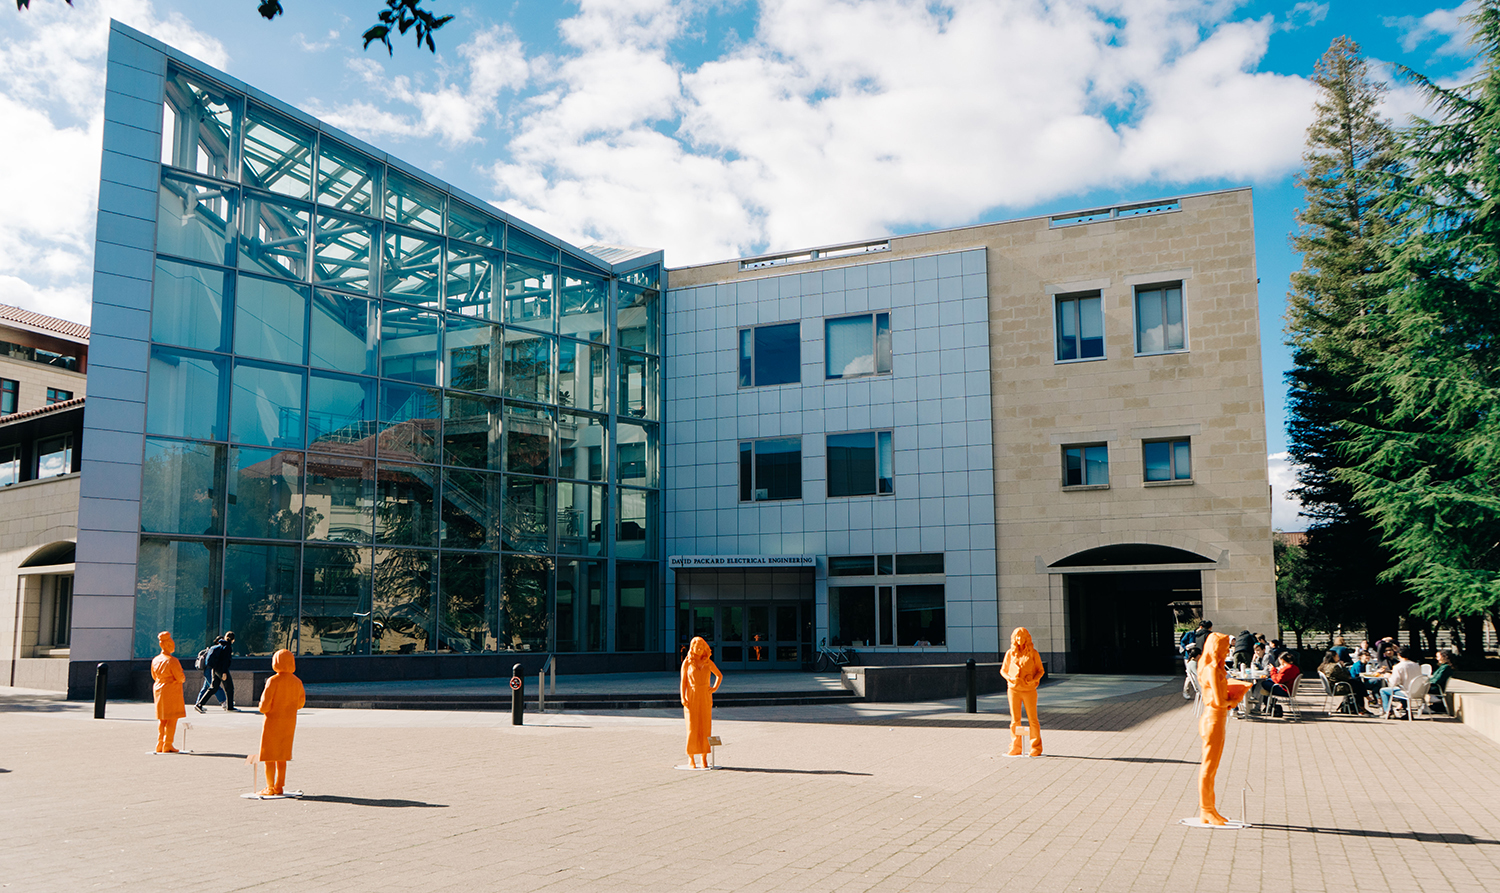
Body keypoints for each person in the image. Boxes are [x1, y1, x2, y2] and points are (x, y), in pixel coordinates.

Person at [1196, 632, 1253, 825]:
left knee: (1211, 766)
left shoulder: (1212, 668)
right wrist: (1237, 697)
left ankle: (1209, 809)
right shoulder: (1212, 669)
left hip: (1215, 718)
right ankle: (1207, 809)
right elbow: (1220, 702)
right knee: (1209, 767)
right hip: (1214, 718)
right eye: (1225, 648)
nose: (1228, 651)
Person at [255, 648, 306, 796]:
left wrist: (262, 708)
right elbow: (300, 703)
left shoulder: (273, 680)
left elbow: (265, 705)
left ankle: (269, 787)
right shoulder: (297, 681)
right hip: (289, 722)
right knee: (282, 756)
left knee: (269, 756)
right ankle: (279, 786)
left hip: (273, 721)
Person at [1001, 627, 1045, 756]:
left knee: (1033, 719)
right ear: (1014, 639)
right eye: (1017, 637)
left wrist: (1034, 680)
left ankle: (1035, 747)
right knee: (1015, 719)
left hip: (1029, 690)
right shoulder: (1010, 653)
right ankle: (1016, 746)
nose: (1020, 640)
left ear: (1027, 638)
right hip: (1014, 689)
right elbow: (1003, 670)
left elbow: (1040, 670)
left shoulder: (1033, 653)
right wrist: (1010, 678)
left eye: (1022, 637)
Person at [680, 636, 723, 768]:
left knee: (705, 726)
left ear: (704, 648)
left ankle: (704, 756)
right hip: (691, 695)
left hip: (705, 695)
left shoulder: (708, 662)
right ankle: (691, 757)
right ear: (692, 648)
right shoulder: (687, 662)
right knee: (692, 727)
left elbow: (719, 675)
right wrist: (683, 696)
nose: (698, 650)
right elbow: (683, 681)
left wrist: (714, 688)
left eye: (701, 647)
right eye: (696, 647)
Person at [151, 631, 186, 754]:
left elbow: (154, 676)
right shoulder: (172, 661)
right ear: (168, 645)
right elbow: (180, 677)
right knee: (172, 718)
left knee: (162, 719)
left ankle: (159, 743)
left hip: (159, 689)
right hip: (171, 690)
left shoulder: (155, 660)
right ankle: (168, 744)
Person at [194, 631, 237, 713]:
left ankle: (199, 704)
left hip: (214, 669)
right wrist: (224, 672)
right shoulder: (227, 646)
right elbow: (225, 660)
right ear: (233, 639)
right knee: (229, 688)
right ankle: (230, 707)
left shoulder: (219, 645)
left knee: (213, 688)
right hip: (222, 670)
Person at [1380, 646, 1423, 718]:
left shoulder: (1398, 666)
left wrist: (1388, 677)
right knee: (1402, 688)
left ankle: (1388, 711)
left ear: (1398, 654)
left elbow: (1394, 683)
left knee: (1383, 691)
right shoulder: (1416, 665)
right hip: (1418, 691)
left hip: (1406, 692)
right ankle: (1408, 712)